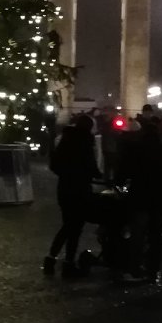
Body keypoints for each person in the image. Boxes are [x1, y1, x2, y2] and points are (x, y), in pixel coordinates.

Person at [118, 111, 162, 280]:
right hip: (160, 199)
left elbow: (122, 172)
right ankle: (154, 270)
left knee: (137, 234)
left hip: (140, 197)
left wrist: (119, 183)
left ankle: (134, 268)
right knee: (156, 235)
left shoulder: (135, 149)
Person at [43, 115, 98, 276]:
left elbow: (54, 165)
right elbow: (91, 166)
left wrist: (67, 174)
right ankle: (67, 262)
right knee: (75, 227)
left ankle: (52, 258)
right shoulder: (86, 142)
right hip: (80, 190)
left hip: (65, 189)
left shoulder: (66, 140)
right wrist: (96, 174)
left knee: (68, 225)